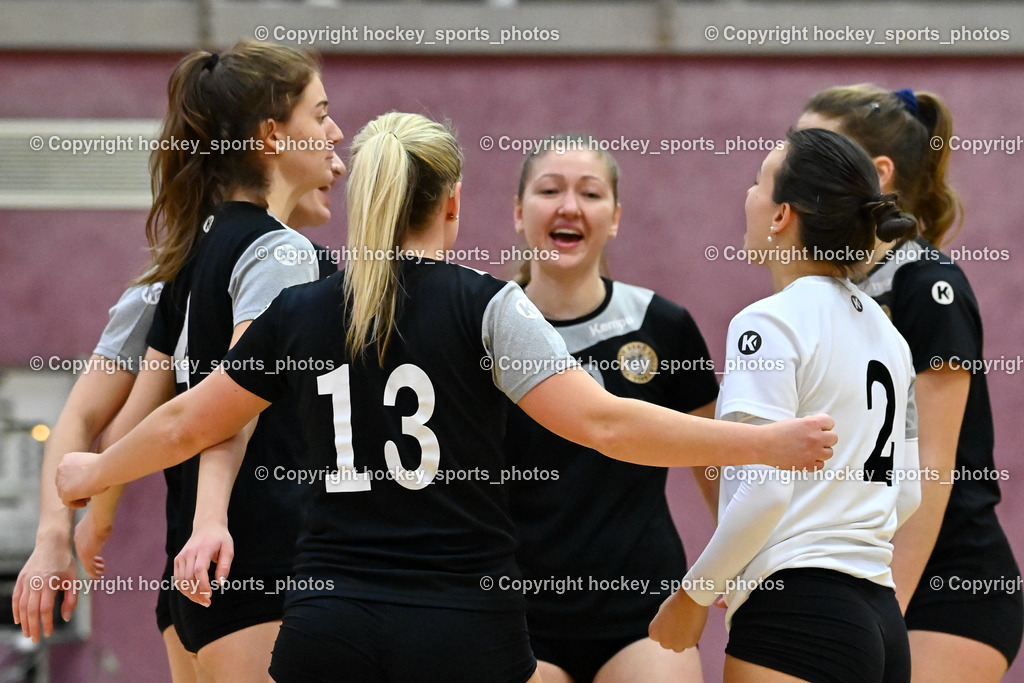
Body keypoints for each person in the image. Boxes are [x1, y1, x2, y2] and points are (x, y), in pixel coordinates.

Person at [55, 112, 836, 683]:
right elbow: (604, 421)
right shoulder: (486, 304)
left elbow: (189, 418)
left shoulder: (305, 307)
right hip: (463, 625)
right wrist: (761, 441)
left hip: (332, 620)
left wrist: (91, 474)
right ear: (454, 203)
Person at [11, 167, 344, 683]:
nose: (336, 153)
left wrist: (95, 516)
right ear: (269, 137)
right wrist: (63, 527)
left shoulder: (186, 279)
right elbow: (201, 421)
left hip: (192, 583)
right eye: (319, 115)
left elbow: (133, 422)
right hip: (261, 570)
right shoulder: (289, 267)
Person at [649, 128, 921, 683]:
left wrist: (693, 596)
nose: (748, 195)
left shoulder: (767, 321)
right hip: (882, 621)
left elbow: (766, 490)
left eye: (758, 183)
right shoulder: (890, 336)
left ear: (782, 216)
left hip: (797, 617)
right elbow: (908, 491)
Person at [798, 84, 1023, 681]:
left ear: (877, 173)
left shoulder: (928, 286)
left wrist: (882, 616)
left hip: (949, 583)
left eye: (813, 151)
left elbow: (933, 467)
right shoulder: (829, 289)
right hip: (862, 573)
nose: (796, 170)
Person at [503, 135, 718, 683]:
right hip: (515, 615)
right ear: (518, 212)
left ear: (615, 217)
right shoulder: (483, 327)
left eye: (590, 193)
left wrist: (734, 568)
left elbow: (715, 464)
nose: (569, 206)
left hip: (640, 612)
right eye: (549, 190)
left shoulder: (663, 325)